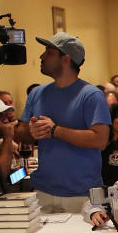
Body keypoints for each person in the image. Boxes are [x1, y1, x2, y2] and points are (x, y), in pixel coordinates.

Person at [16, 32, 110, 213]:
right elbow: (20, 131)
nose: (41, 57)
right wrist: (32, 131)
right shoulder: (37, 93)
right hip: (43, 191)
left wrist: (55, 131)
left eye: (49, 52)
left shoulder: (90, 95)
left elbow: (100, 140)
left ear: (66, 59)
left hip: (82, 195)